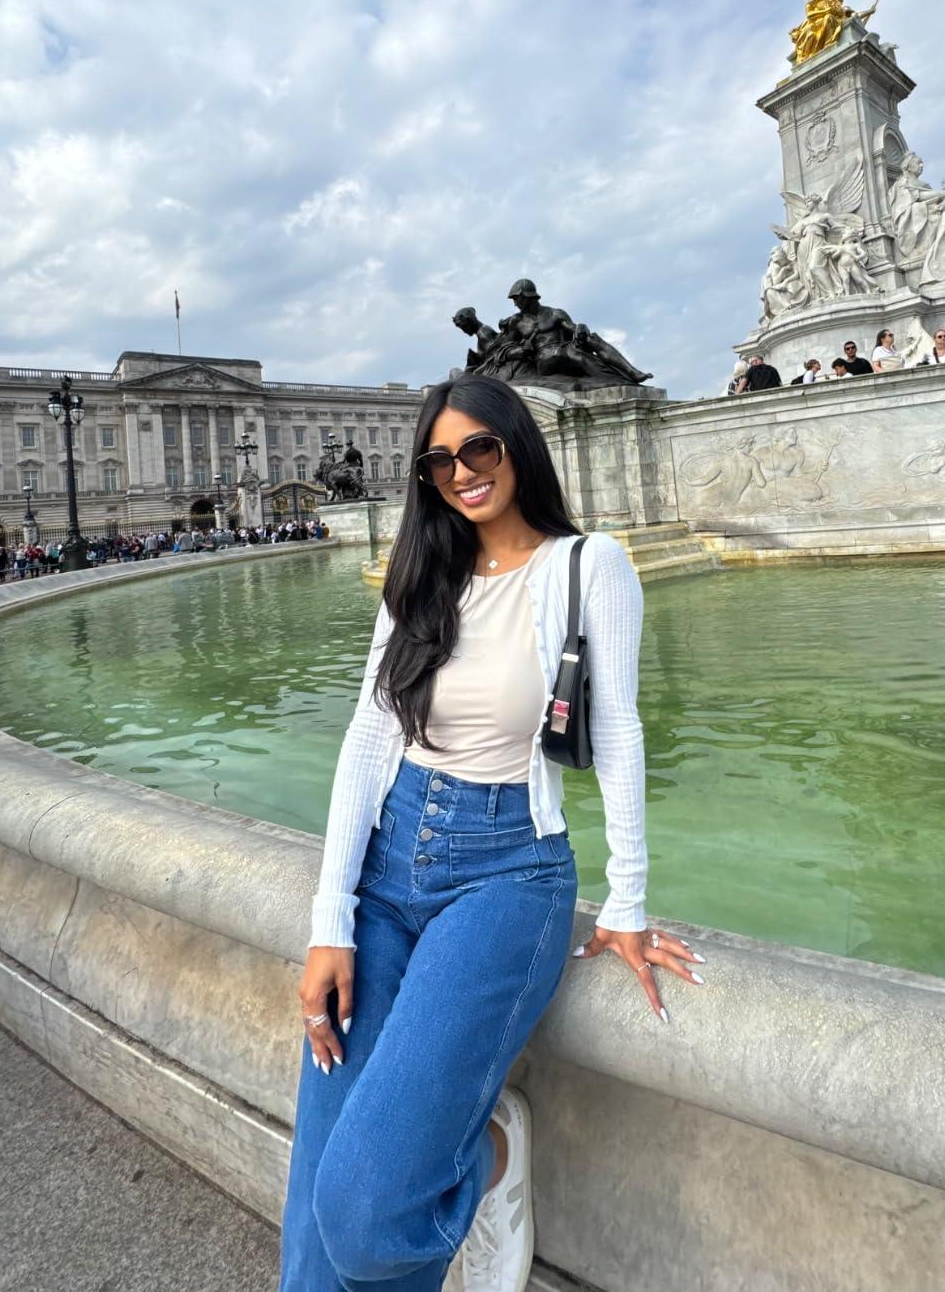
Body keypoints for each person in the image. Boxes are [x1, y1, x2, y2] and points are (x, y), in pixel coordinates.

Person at [279, 375, 703, 1292]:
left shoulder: (590, 566)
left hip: (507, 874)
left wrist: (627, 900)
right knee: (318, 1198)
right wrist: (330, 919)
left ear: (518, 446)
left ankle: (489, 1160)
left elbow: (621, 729)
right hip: (386, 869)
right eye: (440, 462)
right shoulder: (419, 576)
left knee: (365, 1209)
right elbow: (367, 737)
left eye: (480, 449)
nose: (462, 472)